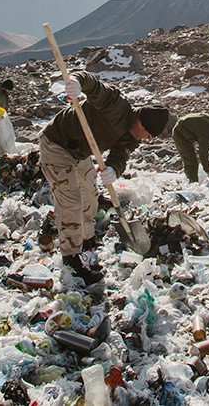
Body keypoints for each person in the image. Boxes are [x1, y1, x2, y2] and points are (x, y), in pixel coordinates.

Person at [41, 71, 170, 286]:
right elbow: (92, 83)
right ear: (141, 124)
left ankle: (86, 241)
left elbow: (121, 154)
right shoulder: (115, 105)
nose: (148, 140)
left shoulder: (132, 136)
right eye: (149, 135)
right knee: (71, 201)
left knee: (90, 197)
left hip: (80, 153)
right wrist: (76, 83)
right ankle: (71, 257)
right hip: (57, 144)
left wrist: (113, 169)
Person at [172, 112, 209, 182]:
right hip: (180, 134)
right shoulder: (208, 132)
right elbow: (203, 153)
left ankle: (191, 179)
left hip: (185, 128)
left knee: (192, 159)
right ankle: (192, 183)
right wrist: (208, 171)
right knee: (191, 161)